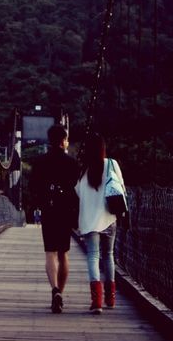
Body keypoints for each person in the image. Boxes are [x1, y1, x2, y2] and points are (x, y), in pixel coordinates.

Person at [29, 123, 79, 313]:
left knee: (50, 252)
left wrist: (39, 203)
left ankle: (54, 290)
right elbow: (76, 190)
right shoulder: (72, 163)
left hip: (48, 211)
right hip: (65, 211)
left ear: (49, 140)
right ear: (63, 141)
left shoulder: (40, 162)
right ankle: (60, 293)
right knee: (63, 253)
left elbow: (33, 188)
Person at [75, 132, 126, 313]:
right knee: (109, 255)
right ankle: (111, 299)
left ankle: (97, 301)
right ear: (103, 148)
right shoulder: (112, 164)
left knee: (93, 256)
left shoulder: (83, 170)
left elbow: (78, 193)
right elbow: (121, 188)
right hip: (109, 218)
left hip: (90, 221)